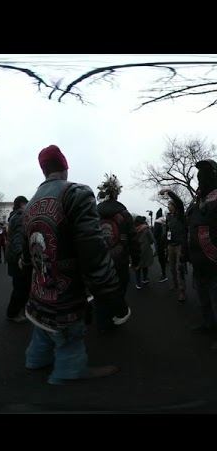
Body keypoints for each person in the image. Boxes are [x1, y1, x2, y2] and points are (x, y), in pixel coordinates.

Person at [21, 145, 129, 385]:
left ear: (44, 171)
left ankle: (35, 360)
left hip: (39, 291)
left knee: (42, 330)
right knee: (69, 338)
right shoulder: (76, 193)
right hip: (66, 296)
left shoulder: (29, 205)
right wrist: (113, 295)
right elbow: (94, 252)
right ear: (65, 167)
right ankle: (69, 371)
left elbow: (26, 254)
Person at [94, 173, 140, 332]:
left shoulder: (94, 213)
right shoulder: (125, 214)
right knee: (119, 289)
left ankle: (101, 321)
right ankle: (115, 315)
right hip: (120, 262)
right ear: (116, 193)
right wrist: (136, 259)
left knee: (99, 292)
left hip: (99, 261)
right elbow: (133, 239)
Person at [185, 159, 217, 342]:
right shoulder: (197, 201)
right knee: (203, 300)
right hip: (198, 263)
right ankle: (208, 325)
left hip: (214, 265)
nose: (201, 178)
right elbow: (191, 227)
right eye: (199, 174)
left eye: (206, 173)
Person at [160, 187, 188, 302]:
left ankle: (182, 291)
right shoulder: (169, 217)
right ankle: (175, 284)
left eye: (170, 204)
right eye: (168, 205)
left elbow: (180, 202)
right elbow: (167, 232)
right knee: (171, 267)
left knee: (179, 268)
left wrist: (169, 192)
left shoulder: (180, 214)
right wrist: (166, 245)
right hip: (170, 245)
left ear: (175, 206)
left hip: (179, 245)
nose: (168, 206)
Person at [5, 195, 30, 323]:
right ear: (22, 205)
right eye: (27, 204)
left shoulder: (14, 216)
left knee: (20, 286)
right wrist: (21, 254)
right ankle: (13, 313)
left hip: (12, 256)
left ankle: (20, 310)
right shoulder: (20, 217)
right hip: (17, 258)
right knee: (21, 287)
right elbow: (19, 238)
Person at [133, 215, 155, 289]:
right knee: (145, 264)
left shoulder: (132, 229)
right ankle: (144, 279)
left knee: (137, 266)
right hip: (145, 250)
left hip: (135, 250)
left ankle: (138, 283)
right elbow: (152, 240)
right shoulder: (146, 229)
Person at [153, 208, 168, 283]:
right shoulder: (165, 221)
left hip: (159, 242)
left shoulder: (157, 222)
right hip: (166, 242)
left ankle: (164, 273)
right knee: (165, 257)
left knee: (161, 258)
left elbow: (155, 234)